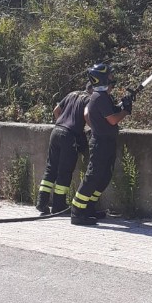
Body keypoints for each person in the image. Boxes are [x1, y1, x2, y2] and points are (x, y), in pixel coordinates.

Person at [70, 62, 134, 226]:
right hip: (100, 143)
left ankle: (89, 207)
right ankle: (77, 211)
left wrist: (123, 104)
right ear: (102, 79)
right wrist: (125, 111)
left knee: (104, 176)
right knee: (93, 176)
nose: (113, 78)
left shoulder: (103, 97)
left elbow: (111, 112)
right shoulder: (99, 97)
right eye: (110, 76)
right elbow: (112, 119)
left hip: (107, 142)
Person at [36, 80, 93, 216]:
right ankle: (58, 205)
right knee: (65, 171)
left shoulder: (72, 94)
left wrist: (62, 123)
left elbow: (56, 111)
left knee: (51, 168)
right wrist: (93, 128)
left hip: (56, 131)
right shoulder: (90, 99)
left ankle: (41, 202)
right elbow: (87, 116)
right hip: (70, 136)